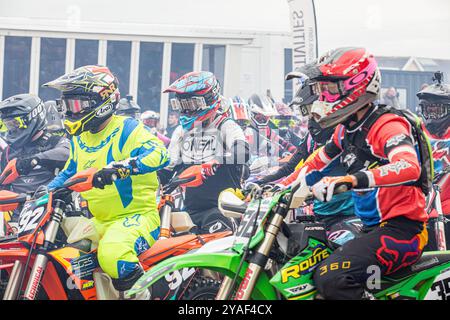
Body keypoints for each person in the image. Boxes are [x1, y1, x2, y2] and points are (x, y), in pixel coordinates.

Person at [282, 47, 429, 299]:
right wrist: (276, 189)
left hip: (403, 230)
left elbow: (409, 165)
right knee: (304, 262)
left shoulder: (387, 124)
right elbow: (316, 162)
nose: (323, 97)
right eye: (321, 90)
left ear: (356, 85)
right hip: (371, 228)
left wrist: (351, 180)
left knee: (332, 277)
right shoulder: (346, 129)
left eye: (329, 89)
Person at [44, 65, 169, 299]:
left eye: (77, 105)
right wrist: (42, 195)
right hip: (99, 220)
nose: (71, 112)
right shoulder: (80, 138)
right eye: (67, 106)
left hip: (138, 217)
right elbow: (68, 172)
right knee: (60, 247)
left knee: (113, 254)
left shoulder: (127, 128)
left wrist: (117, 169)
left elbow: (161, 154)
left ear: (101, 101)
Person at [163, 71, 250, 234]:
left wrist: (217, 161)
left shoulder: (226, 125)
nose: (186, 111)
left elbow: (243, 152)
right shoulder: (181, 132)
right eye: (182, 106)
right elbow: (168, 168)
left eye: (191, 105)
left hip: (223, 208)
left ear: (209, 100)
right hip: (188, 210)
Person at [416, 73, 450, 250]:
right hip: (422, 206)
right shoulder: (414, 132)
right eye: (429, 110)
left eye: (437, 110)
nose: (433, 115)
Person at [246, 93, 297, 159]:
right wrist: (282, 153)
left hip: (264, 165)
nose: (263, 121)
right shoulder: (246, 130)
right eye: (260, 118)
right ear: (251, 115)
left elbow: (281, 142)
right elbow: (265, 145)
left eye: (266, 118)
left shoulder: (266, 129)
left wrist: (297, 152)